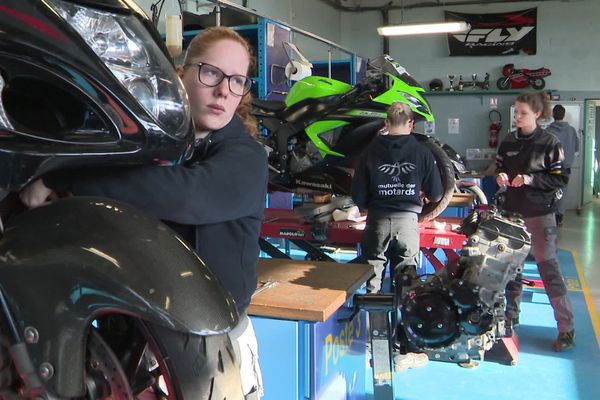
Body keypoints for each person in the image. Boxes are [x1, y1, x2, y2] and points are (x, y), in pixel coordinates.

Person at [20, 27, 267, 397]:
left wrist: (65, 177)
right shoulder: (156, 142)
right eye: (211, 73)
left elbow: (185, 196)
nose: (223, 91)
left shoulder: (245, 158)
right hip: (134, 333)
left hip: (213, 346)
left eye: (237, 81)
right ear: (181, 74)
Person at [496, 92, 574, 352]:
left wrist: (530, 179)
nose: (517, 117)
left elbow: (559, 179)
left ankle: (566, 329)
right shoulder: (507, 141)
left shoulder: (550, 143)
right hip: (512, 214)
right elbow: (498, 167)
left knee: (549, 270)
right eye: (516, 112)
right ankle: (510, 318)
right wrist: (501, 176)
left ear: (538, 114)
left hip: (540, 214)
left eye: (523, 113)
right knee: (511, 270)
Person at [351, 101, 443, 294]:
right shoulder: (423, 153)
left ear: (386, 123)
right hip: (407, 223)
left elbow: (358, 197)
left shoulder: (367, 152)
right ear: (410, 123)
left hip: (377, 221)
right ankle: (402, 318)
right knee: (406, 280)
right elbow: (436, 194)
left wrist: (374, 203)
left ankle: (373, 316)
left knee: (372, 274)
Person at [546, 104, 580, 226]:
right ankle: (559, 216)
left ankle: (550, 215)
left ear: (553, 115)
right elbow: (576, 147)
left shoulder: (548, 131)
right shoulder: (571, 130)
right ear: (564, 115)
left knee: (549, 191)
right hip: (566, 167)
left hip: (551, 167)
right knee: (562, 191)